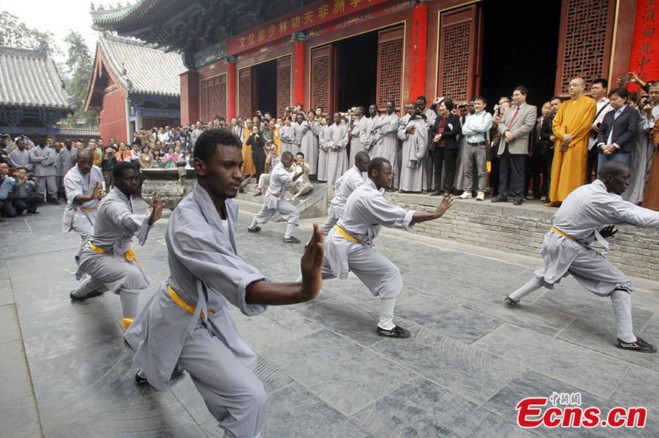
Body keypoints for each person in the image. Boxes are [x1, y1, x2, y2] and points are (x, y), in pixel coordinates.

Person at [124, 129, 324, 438]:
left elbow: (227, 267)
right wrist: (303, 290)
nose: (237, 175)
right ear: (200, 167)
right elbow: (237, 281)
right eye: (228, 166)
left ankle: (158, 363)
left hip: (208, 310)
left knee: (241, 363)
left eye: (240, 167)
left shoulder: (227, 206)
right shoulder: (188, 225)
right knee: (249, 398)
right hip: (183, 318)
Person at [504, 161, 659, 353]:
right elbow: (640, 217)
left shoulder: (585, 189)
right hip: (568, 246)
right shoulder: (602, 199)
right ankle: (627, 338)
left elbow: (578, 218)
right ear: (610, 178)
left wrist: (596, 232)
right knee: (620, 284)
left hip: (554, 239)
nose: (628, 182)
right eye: (625, 178)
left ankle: (513, 297)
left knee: (551, 272)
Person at [322, 157, 453, 338]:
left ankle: (296, 287)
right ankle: (386, 325)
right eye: (387, 173)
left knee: (321, 269)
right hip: (349, 244)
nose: (391, 177)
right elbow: (399, 216)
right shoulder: (369, 196)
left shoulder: (371, 189)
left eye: (392, 173)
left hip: (341, 239)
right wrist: (434, 214)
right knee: (390, 273)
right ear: (374, 173)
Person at [69, 162, 164, 330]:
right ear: (117, 180)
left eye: (136, 178)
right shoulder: (113, 203)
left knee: (104, 280)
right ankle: (132, 327)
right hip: (96, 256)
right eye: (129, 179)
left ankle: (78, 294)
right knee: (131, 275)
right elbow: (124, 218)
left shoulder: (125, 196)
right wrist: (149, 219)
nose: (134, 182)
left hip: (110, 254)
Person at [548, 77, 597, 206]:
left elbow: (586, 124)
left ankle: (570, 200)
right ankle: (556, 197)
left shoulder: (590, 103)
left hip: (577, 142)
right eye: (570, 85)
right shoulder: (564, 105)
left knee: (573, 170)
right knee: (558, 169)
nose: (571, 88)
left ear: (582, 87)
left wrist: (571, 137)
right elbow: (555, 124)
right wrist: (562, 135)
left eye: (574, 85)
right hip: (561, 141)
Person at [493, 86, 537, 205]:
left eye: (517, 95)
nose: (514, 97)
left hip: (518, 144)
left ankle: (518, 196)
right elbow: (500, 123)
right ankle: (502, 194)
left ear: (524, 95)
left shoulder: (531, 109)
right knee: (503, 171)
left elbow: (528, 126)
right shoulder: (509, 110)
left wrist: (513, 135)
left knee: (518, 172)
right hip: (504, 144)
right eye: (513, 95)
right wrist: (506, 131)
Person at [248, 151, 304, 243]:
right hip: (274, 198)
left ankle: (252, 227)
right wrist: (301, 171)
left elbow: (286, 179)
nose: (291, 164)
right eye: (290, 161)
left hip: (270, 196)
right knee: (294, 213)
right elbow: (291, 178)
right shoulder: (279, 170)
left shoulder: (281, 166)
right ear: (284, 159)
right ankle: (287, 237)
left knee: (262, 213)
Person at [319, 151, 370, 236]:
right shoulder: (355, 177)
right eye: (365, 163)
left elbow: (338, 182)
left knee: (327, 229)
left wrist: (339, 195)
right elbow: (363, 192)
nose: (367, 166)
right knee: (351, 232)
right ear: (357, 162)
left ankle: (310, 245)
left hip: (338, 205)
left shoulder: (350, 172)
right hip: (342, 208)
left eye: (368, 163)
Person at [62, 148, 105, 244]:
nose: (86, 165)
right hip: (78, 212)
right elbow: (76, 196)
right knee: (92, 236)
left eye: (90, 162)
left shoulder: (97, 170)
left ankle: (79, 256)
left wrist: (103, 195)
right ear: (76, 161)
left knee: (102, 234)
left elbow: (101, 187)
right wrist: (91, 197)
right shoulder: (71, 176)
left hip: (95, 210)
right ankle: (86, 258)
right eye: (83, 162)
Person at [595, 87, 640, 170]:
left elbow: (631, 131)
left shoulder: (632, 112)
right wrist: (602, 144)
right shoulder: (609, 114)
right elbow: (601, 131)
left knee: (617, 177)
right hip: (604, 151)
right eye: (610, 100)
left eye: (615, 99)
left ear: (624, 99)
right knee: (601, 177)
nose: (612, 102)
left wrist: (615, 145)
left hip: (620, 151)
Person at [459, 96, 492, 200]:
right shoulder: (470, 117)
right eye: (475, 104)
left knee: (481, 170)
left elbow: (484, 128)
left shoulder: (487, 115)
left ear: (484, 105)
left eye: (479, 104)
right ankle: (467, 190)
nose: (476, 106)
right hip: (469, 145)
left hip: (480, 145)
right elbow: (464, 131)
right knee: (467, 169)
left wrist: (472, 128)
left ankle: (481, 191)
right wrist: (477, 128)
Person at [430, 98, 462, 196]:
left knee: (449, 169)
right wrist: (435, 135)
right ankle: (437, 188)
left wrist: (442, 135)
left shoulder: (454, 118)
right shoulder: (438, 118)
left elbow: (455, 131)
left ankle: (448, 189)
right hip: (438, 146)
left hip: (449, 147)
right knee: (437, 169)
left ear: (448, 107)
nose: (440, 108)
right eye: (440, 106)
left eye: (442, 106)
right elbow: (433, 130)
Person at [397, 102, 429, 192]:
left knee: (419, 167)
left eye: (413, 108)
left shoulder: (421, 119)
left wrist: (419, 130)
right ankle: (404, 187)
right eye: (409, 108)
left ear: (417, 109)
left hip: (419, 146)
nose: (410, 110)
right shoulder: (404, 119)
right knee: (406, 166)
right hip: (407, 145)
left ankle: (420, 187)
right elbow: (399, 133)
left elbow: (427, 130)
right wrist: (406, 131)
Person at [587, 78, 613, 184]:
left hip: (600, 139)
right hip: (587, 138)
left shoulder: (609, 105)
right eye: (592, 88)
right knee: (585, 168)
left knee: (599, 167)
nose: (593, 90)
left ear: (605, 90)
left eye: (597, 88)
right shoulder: (587, 103)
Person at [30, 138, 59, 204]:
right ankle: (40, 199)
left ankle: (53, 198)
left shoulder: (50, 150)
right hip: (39, 170)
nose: (42, 141)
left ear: (46, 142)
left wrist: (43, 162)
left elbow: (52, 158)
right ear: (38, 141)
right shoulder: (33, 150)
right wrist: (44, 158)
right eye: (40, 140)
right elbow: (33, 159)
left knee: (52, 186)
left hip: (49, 170)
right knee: (40, 186)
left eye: (43, 140)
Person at [325, 112, 350, 186]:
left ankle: (341, 184)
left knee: (341, 167)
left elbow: (346, 138)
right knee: (332, 167)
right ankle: (331, 183)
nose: (336, 119)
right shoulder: (331, 127)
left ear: (340, 118)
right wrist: (333, 145)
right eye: (335, 117)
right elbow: (328, 139)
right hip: (333, 150)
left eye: (338, 117)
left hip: (341, 150)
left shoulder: (344, 127)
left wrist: (339, 145)